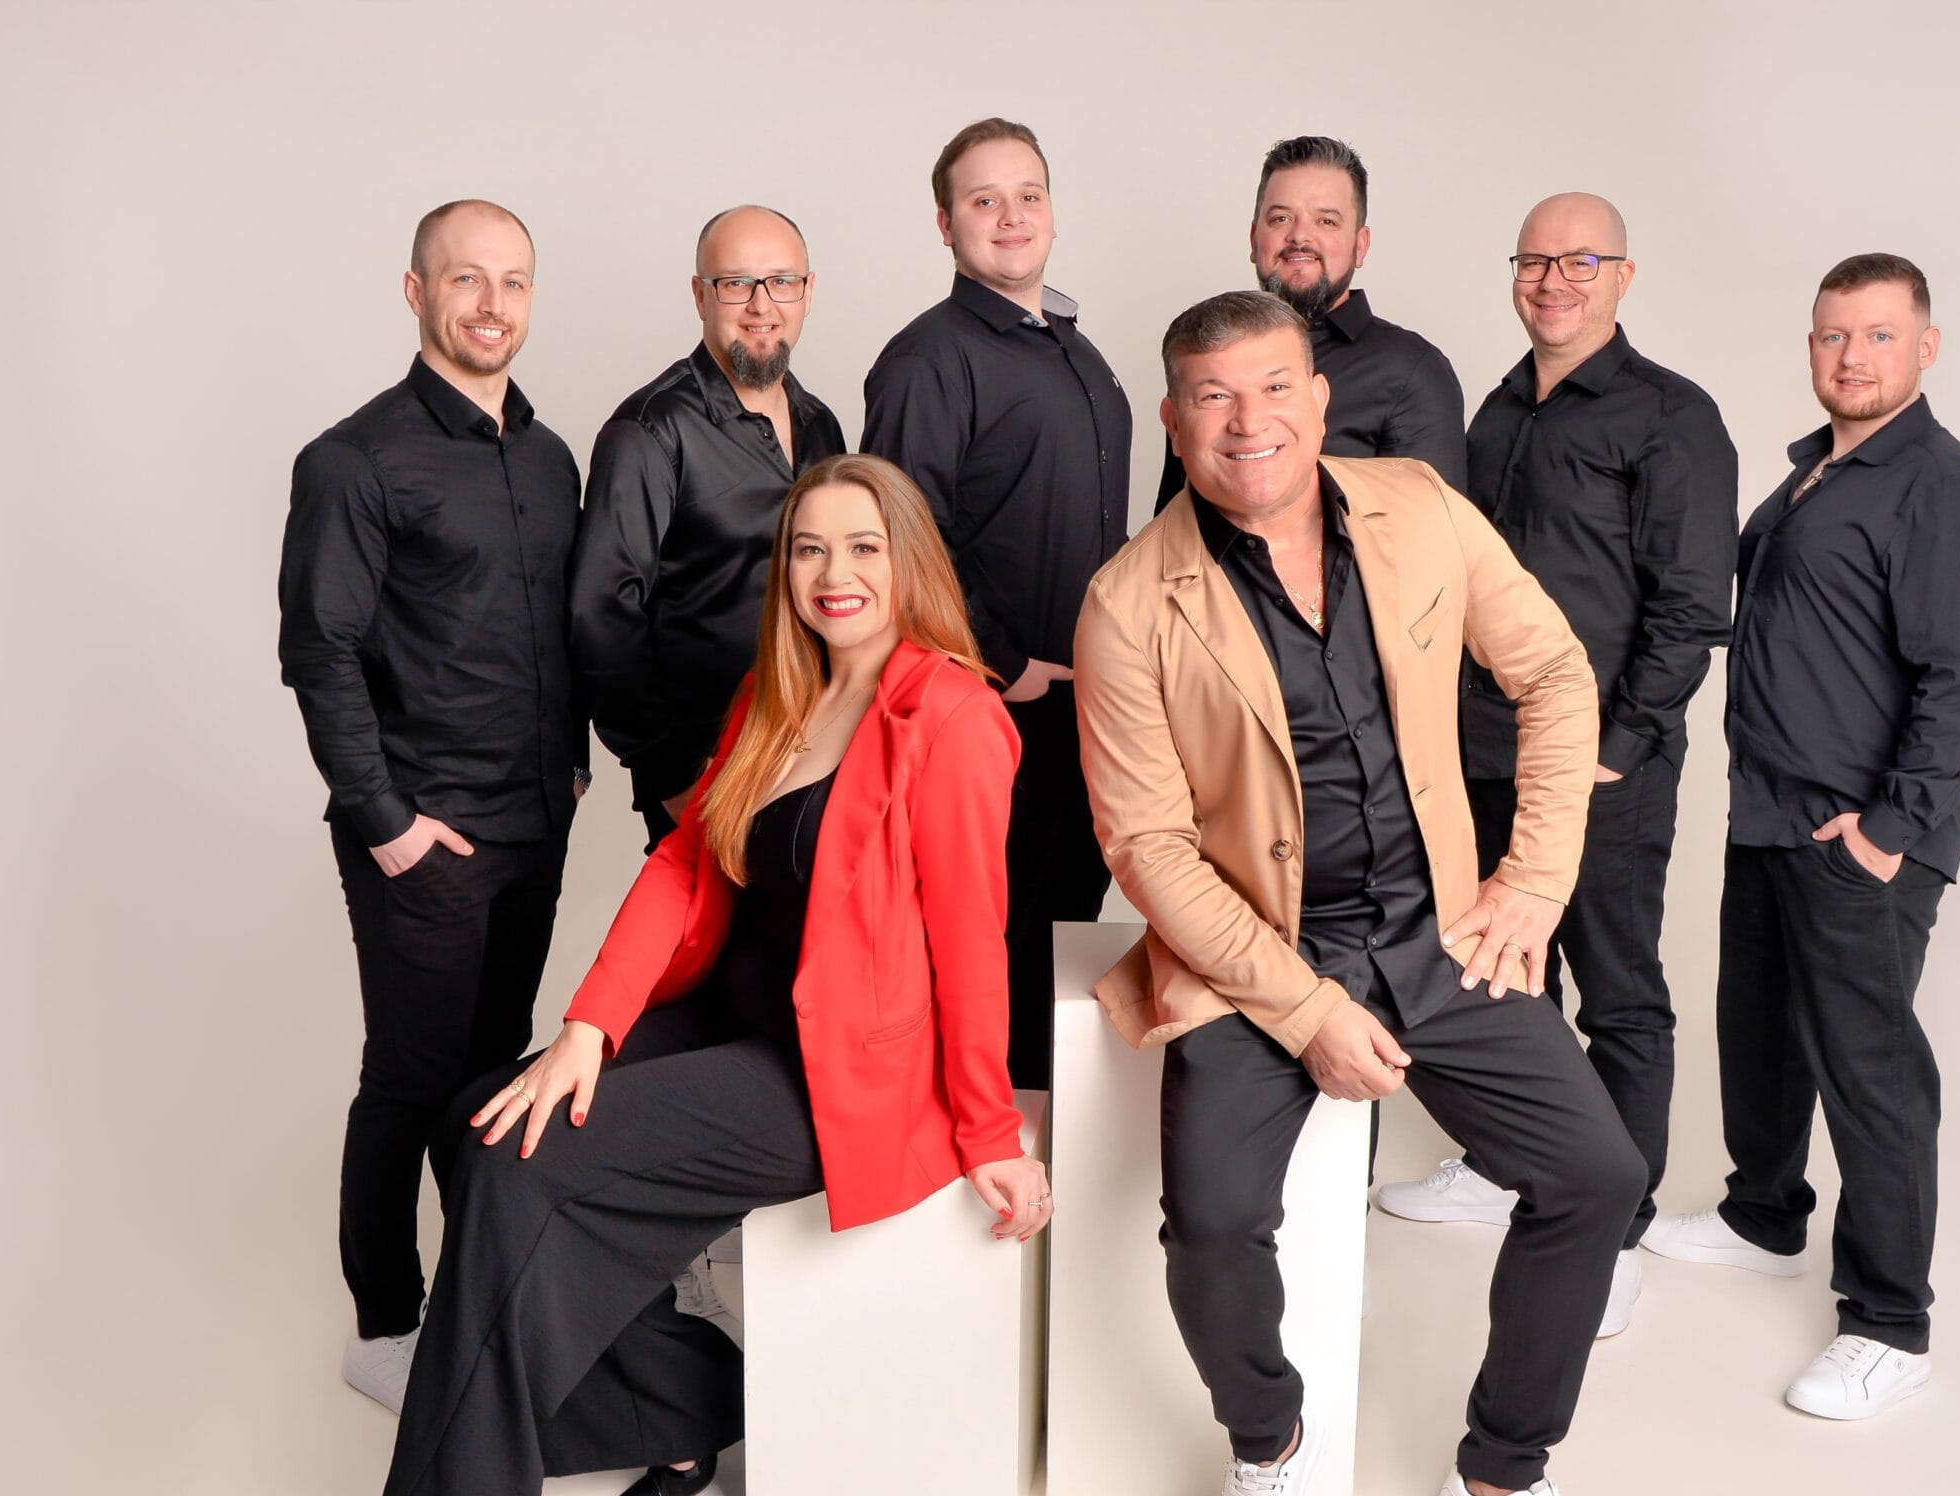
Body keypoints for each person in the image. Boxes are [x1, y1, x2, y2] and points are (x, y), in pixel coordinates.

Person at [288, 455, 1053, 1496]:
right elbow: (687, 863)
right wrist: (589, 1025)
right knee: (472, 1118)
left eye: (863, 547)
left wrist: (990, 1129)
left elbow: (971, 935)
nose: (835, 573)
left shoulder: (951, 717)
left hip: (834, 1072)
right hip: (731, 1015)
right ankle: (674, 1403)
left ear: (907, 562)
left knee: (520, 1162)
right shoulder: (776, 694)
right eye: (809, 548)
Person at [1076, 291, 1658, 1496]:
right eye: (1214, 396)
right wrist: (1304, 1011)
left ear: (1320, 397)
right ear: (1173, 419)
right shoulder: (1125, 602)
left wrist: (1533, 879)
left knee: (1597, 1173)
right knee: (1210, 1224)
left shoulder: (1420, 507)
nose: (1250, 421)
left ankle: (1499, 1484)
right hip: (1250, 954)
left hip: (1439, 927)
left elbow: (1555, 676)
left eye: (1274, 386)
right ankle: (1265, 1445)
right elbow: (1149, 846)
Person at [1641, 254, 1960, 1421]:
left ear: (1925, 348)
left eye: (1878, 335)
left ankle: (1890, 1323)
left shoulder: (1940, 487)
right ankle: (1763, 1214)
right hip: (1770, 810)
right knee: (1758, 1029)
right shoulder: (1811, 475)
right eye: (1831, 335)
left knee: (1869, 1067)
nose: (1851, 356)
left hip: (1859, 830)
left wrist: (1889, 828)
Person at [1375, 194, 1737, 1342]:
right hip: (1486, 750)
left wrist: (1614, 750)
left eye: (1580, 260)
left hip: (1601, 766)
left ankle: (1615, 1229)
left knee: (1619, 992)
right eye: (1535, 260)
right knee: (1501, 971)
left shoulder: (1672, 416)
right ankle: (1507, 1163)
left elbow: (1692, 606)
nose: (1553, 280)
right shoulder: (1496, 409)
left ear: (1623, 275)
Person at [278, 200, 585, 1414]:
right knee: (409, 1076)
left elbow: (555, 630)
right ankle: (383, 1324)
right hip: (423, 836)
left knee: (494, 1068)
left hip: (533, 823)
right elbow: (319, 649)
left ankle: (478, 1293)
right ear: (416, 292)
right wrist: (387, 820)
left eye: (513, 281)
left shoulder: (550, 458)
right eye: (466, 279)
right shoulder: (354, 460)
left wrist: (568, 766)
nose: (491, 304)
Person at [862, 116, 1132, 1093]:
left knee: (1054, 939)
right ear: (946, 225)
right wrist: (1001, 660)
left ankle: (1026, 1143)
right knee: (988, 946)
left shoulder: (1072, 347)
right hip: (991, 710)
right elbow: (900, 536)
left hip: (1085, 711)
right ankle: (978, 1149)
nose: (1010, 216)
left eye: (1028, 195)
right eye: (984, 200)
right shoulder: (927, 360)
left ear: (1052, 212)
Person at [571, 205, 846, 852]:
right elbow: (600, 615)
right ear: (700, 295)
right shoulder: (649, 431)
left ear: (808, 292)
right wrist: (671, 780)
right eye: (736, 283)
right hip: (707, 771)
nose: (761, 304)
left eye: (782, 281)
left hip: (821, 754)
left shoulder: (822, 425)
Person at [1150, 135, 1465, 512]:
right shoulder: (1206, 354)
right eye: (1280, 218)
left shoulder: (1413, 370)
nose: (1299, 236)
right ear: (1254, 238)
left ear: (1360, 245)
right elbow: (1174, 516)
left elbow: (1433, 530)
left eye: (1326, 221)